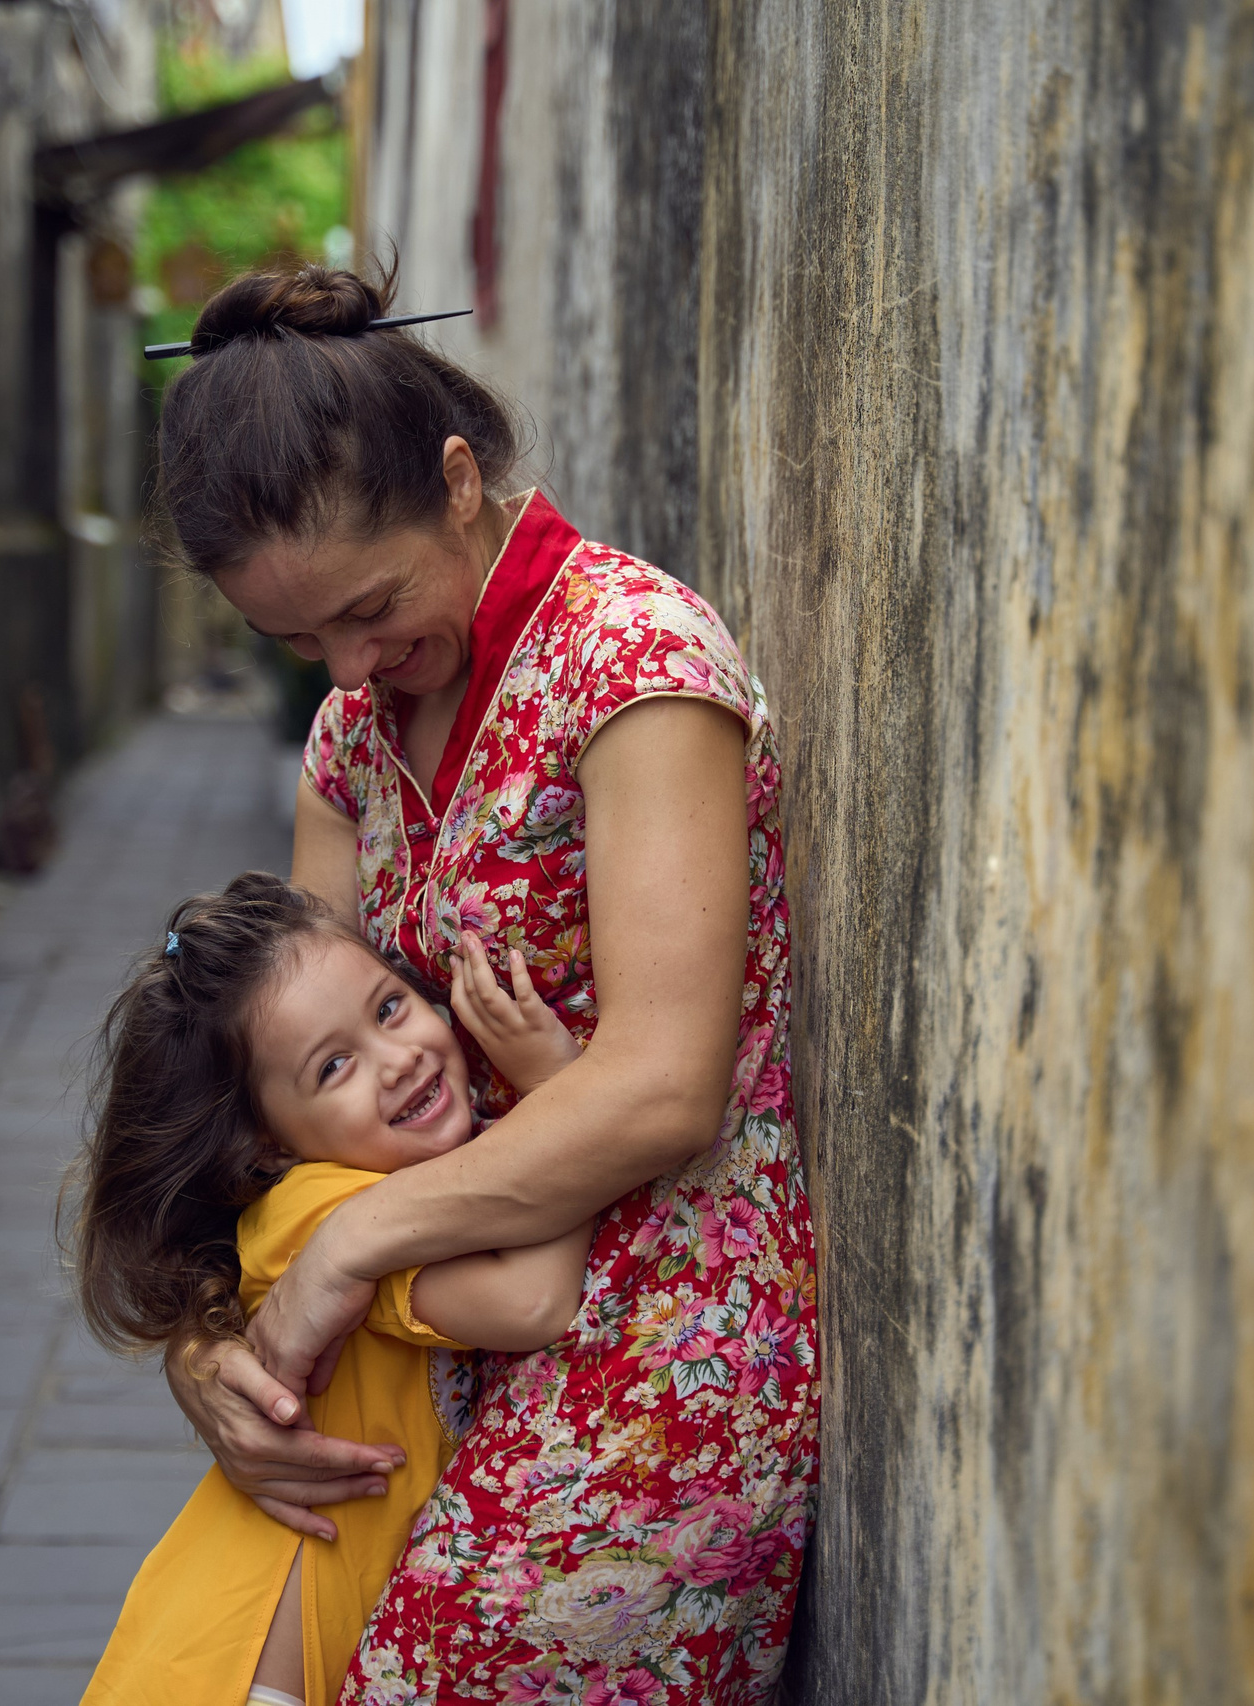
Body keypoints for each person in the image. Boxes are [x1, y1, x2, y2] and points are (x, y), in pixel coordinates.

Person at [155, 262, 819, 1703]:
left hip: (658, 1357)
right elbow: (285, 1075)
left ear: (458, 481)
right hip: (435, 1348)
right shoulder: (351, 739)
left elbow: (664, 1088)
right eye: (298, 641)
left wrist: (346, 1248)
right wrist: (208, 1345)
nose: (348, 666)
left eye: (370, 606)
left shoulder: (632, 663)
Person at [73, 873, 593, 1706]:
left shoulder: (380, 1184)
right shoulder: (322, 1208)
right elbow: (533, 1302)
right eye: (334, 1066)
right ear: (269, 1146)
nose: (398, 1058)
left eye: (389, 1008)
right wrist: (562, 1097)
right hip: (246, 1665)